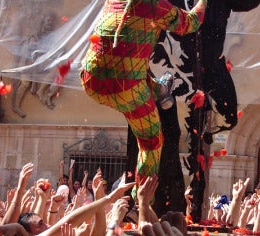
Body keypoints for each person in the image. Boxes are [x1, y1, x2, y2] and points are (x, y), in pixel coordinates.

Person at [80, 0, 208, 193]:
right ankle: (140, 196)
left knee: (138, 69)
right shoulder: (155, 5)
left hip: (90, 78)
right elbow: (190, 23)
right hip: (124, 86)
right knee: (151, 141)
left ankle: (160, 90)